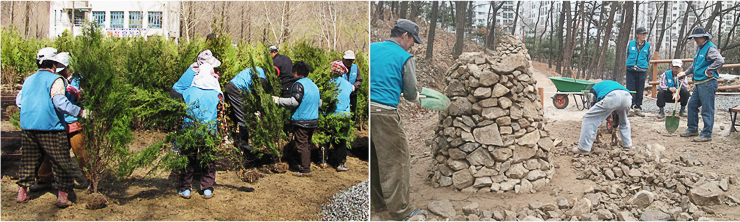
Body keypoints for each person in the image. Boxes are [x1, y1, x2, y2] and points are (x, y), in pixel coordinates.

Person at [369, 19, 427, 221]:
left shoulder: (371, 48)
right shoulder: (404, 57)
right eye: (413, 41)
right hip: (384, 114)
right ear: (405, 36)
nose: (413, 45)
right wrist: (418, 98)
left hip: (366, 111)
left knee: (375, 160)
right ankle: (402, 210)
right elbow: (411, 94)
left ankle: (379, 204)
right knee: (397, 161)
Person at [16, 47, 87, 208]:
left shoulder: (29, 79)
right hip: (51, 127)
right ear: (54, 64)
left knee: (29, 160)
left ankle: (22, 192)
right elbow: (59, 103)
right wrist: (80, 111)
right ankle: (63, 197)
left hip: (28, 126)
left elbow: (19, 102)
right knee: (61, 161)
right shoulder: (56, 80)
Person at [30, 52, 90, 192]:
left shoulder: (78, 78)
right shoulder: (53, 79)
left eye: (63, 68)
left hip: (74, 122)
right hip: (57, 123)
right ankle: (44, 179)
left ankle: (91, 180)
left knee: (82, 154)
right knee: (49, 153)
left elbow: (89, 97)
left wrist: (79, 95)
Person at [178, 63, 223, 199]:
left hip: (190, 130)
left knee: (188, 159)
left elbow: (181, 112)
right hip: (209, 131)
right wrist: (222, 135)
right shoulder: (217, 94)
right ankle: (207, 188)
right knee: (208, 159)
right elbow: (221, 117)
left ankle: (186, 189)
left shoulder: (187, 92)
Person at [677, 26, 725, 142]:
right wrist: (686, 73)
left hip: (708, 83)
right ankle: (693, 128)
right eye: (694, 38)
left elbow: (720, 60)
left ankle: (707, 133)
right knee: (692, 105)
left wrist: (710, 70)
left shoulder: (710, 48)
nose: (696, 40)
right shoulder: (700, 49)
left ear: (704, 37)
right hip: (700, 83)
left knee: (707, 109)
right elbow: (695, 65)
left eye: (697, 37)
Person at [273, 61, 320, 177]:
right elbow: (319, 103)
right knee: (307, 143)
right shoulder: (313, 85)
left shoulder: (299, 84)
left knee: (302, 144)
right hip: (313, 119)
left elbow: (294, 102)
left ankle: (305, 169)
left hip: (302, 120)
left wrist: (278, 100)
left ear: (297, 72)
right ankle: (304, 164)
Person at [572, 80, 632, 155]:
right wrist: (615, 127)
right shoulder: (609, 85)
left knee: (588, 118)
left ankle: (584, 148)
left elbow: (591, 107)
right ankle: (627, 145)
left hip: (612, 97)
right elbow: (616, 115)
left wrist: (596, 127)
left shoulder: (593, 90)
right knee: (624, 121)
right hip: (627, 97)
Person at [225, 66, 268, 152]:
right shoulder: (262, 76)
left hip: (232, 87)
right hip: (236, 89)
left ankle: (231, 137)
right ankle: (244, 144)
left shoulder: (257, 69)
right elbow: (258, 93)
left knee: (234, 114)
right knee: (243, 117)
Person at [327, 60, 353, 172]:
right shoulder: (348, 85)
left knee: (326, 138)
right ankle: (340, 163)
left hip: (331, 115)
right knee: (342, 141)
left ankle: (322, 160)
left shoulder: (328, 83)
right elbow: (353, 89)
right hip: (344, 116)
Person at [625, 27, 651, 117]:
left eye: (645, 34)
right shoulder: (630, 44)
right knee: (630, 88)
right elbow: (626, 54)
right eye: (642, 34)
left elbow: (649, 58)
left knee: (640, 88)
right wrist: (630, 64)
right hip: (631, 69)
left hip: (642, 70)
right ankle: (630, 107)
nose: (644, 36)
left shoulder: (648, 46)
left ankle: (638, 107)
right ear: (637, 35)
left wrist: (644, 66)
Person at [341, 50, 363, 114]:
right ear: (343, 59)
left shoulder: (356, 68)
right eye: (347, 59)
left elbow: (359, 80)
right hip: (342, 96)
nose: (349, 61)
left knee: (352, 113)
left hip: (352, 95)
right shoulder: (339, 68)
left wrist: (354, 86)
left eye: (350, 60)